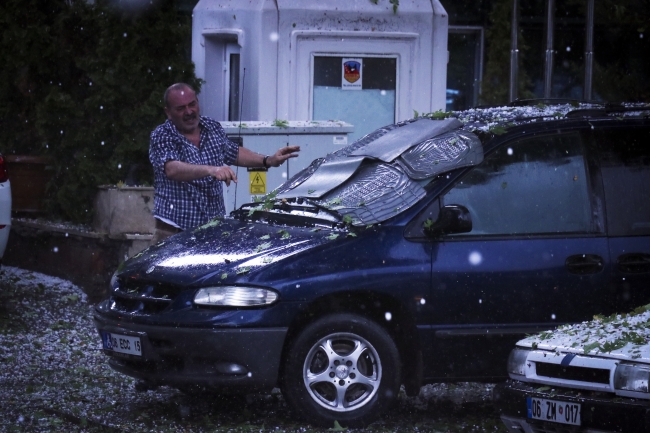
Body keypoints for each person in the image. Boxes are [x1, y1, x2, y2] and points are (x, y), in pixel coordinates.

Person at [149, 82, 300, 242]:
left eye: (192, 104)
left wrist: (268, 160)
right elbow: (172, 169)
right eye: (181, 108)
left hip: (212, 230)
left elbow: (234, 153)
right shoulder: (162, 135)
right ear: (169, 113)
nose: (189, 111)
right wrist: (211, 170)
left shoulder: (212, 127)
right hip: (173, 231)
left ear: (197, 103)